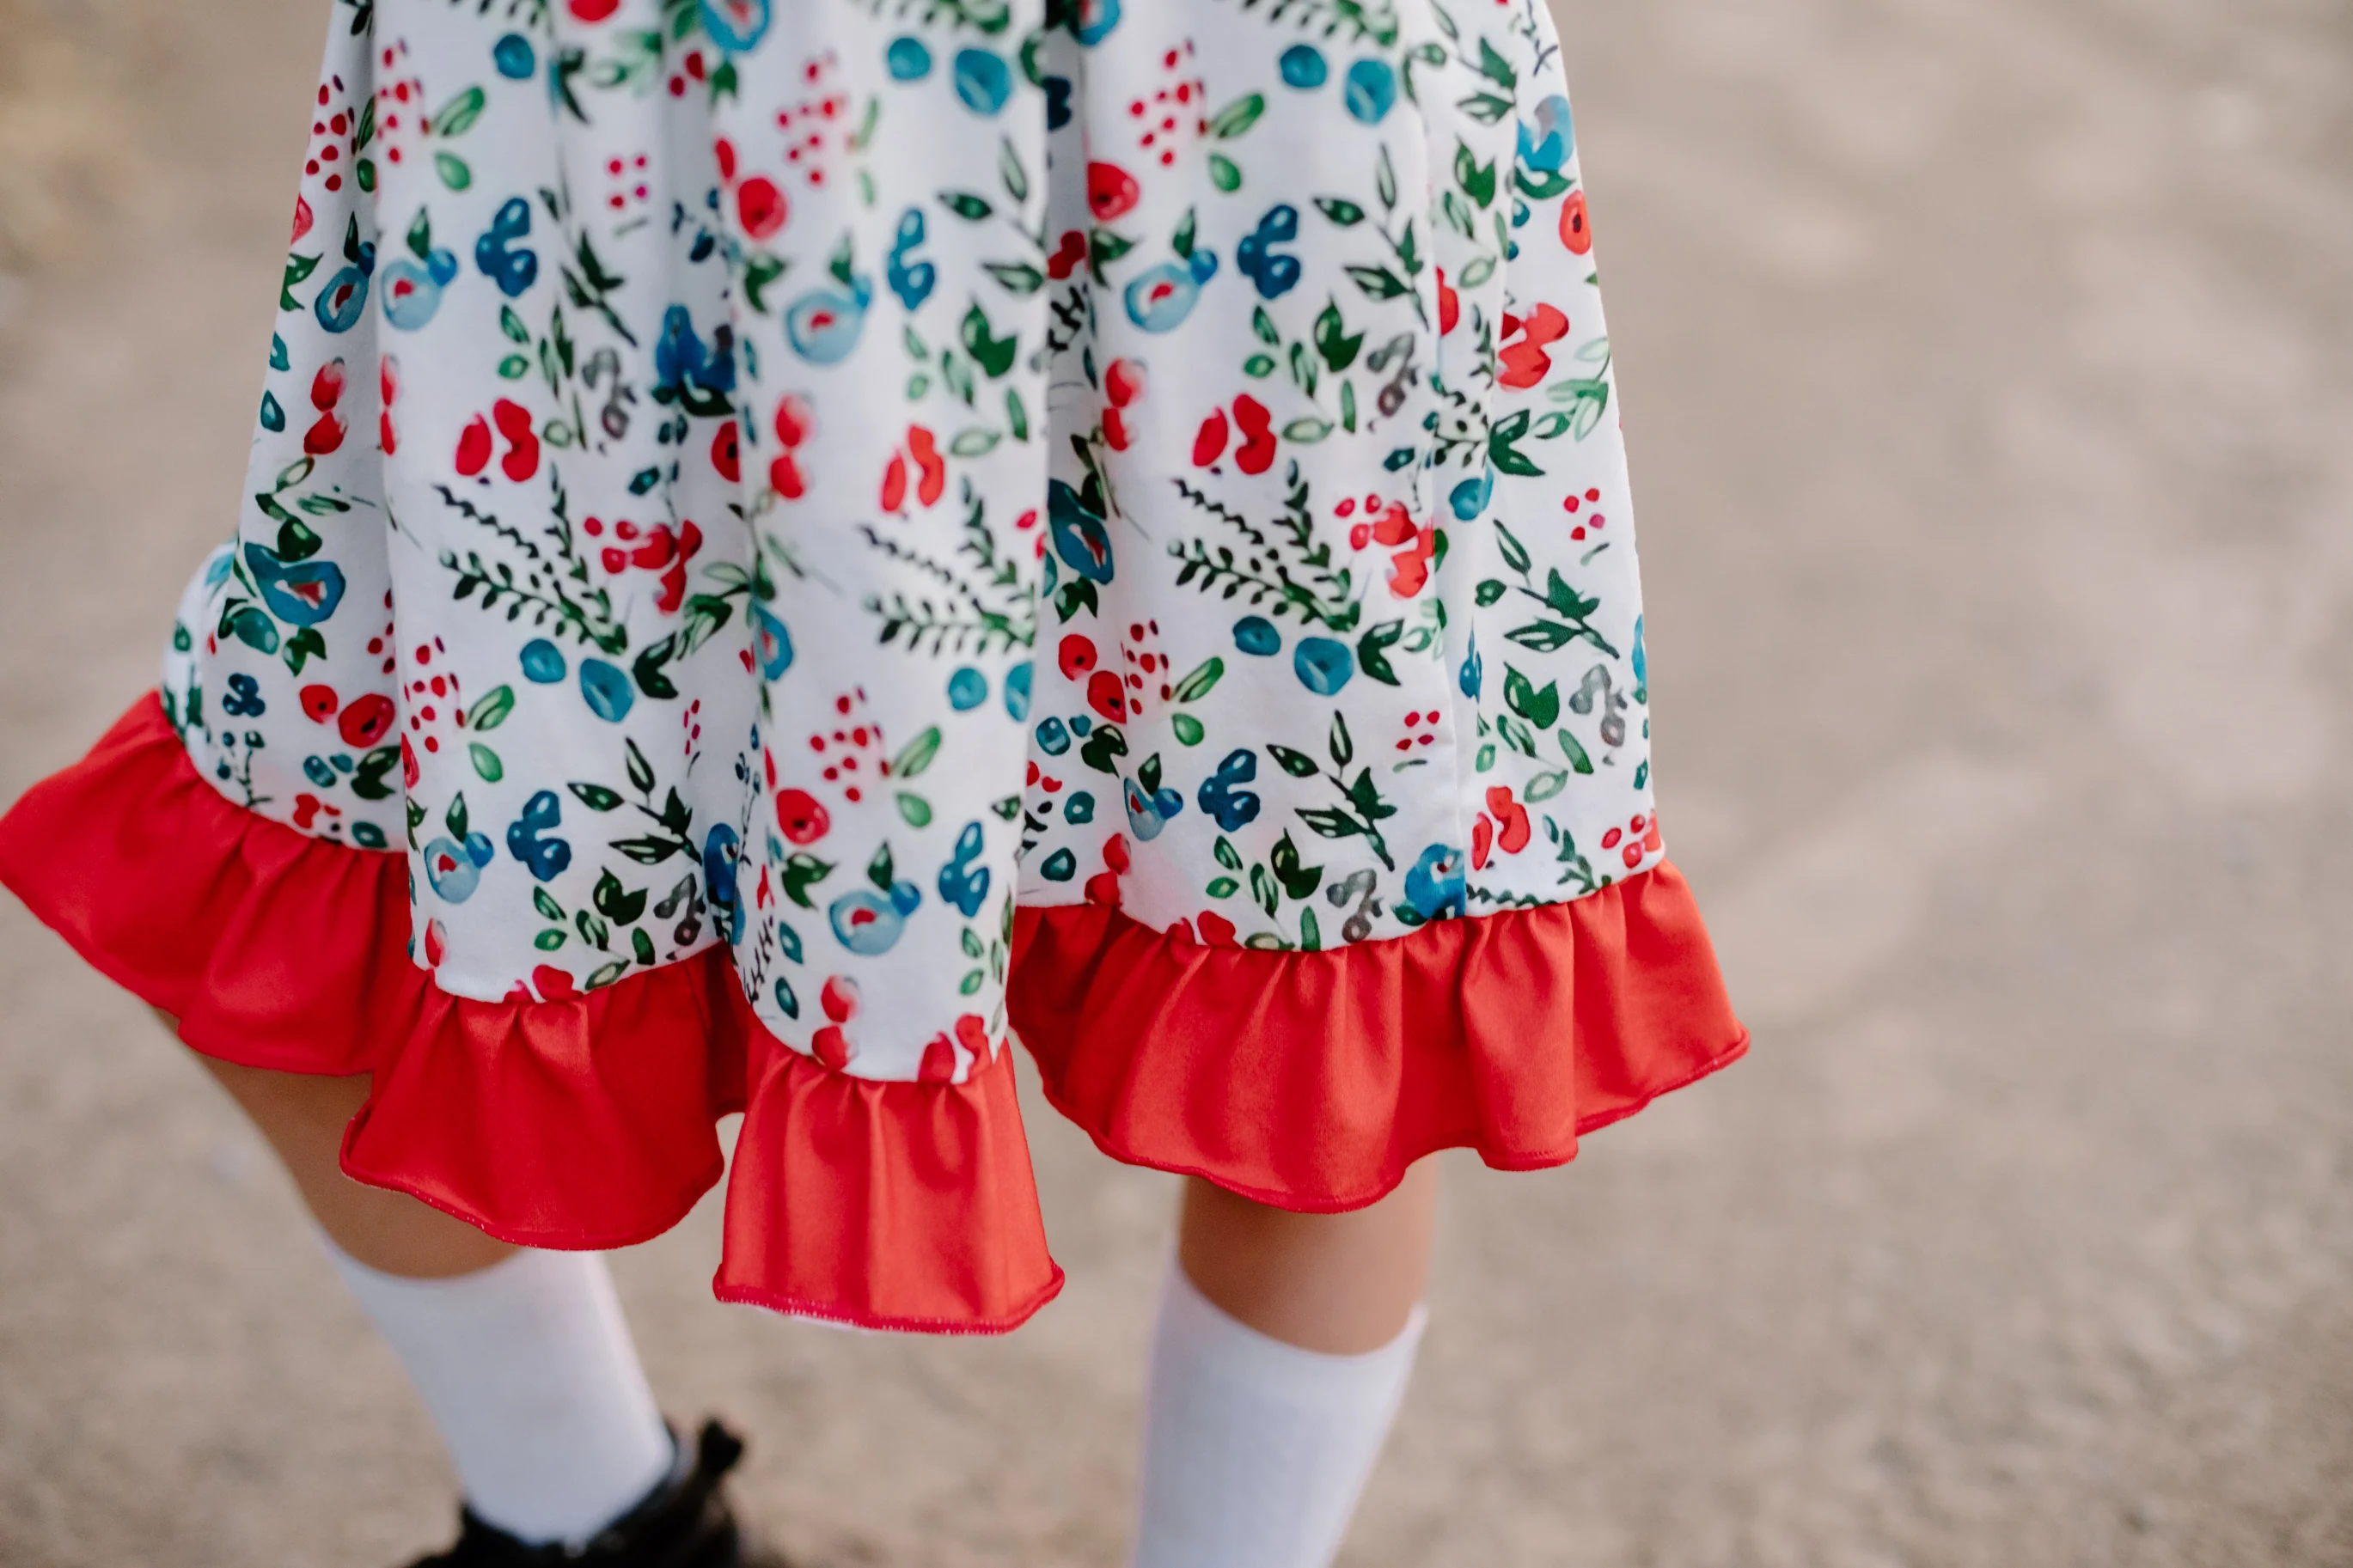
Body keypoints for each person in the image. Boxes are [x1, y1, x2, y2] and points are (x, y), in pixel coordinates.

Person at [0, 2, 1745, 1564]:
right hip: (674, 120)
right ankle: (591, 1524)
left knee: (1326, 983)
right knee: (310, 836)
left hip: (1215, 108)